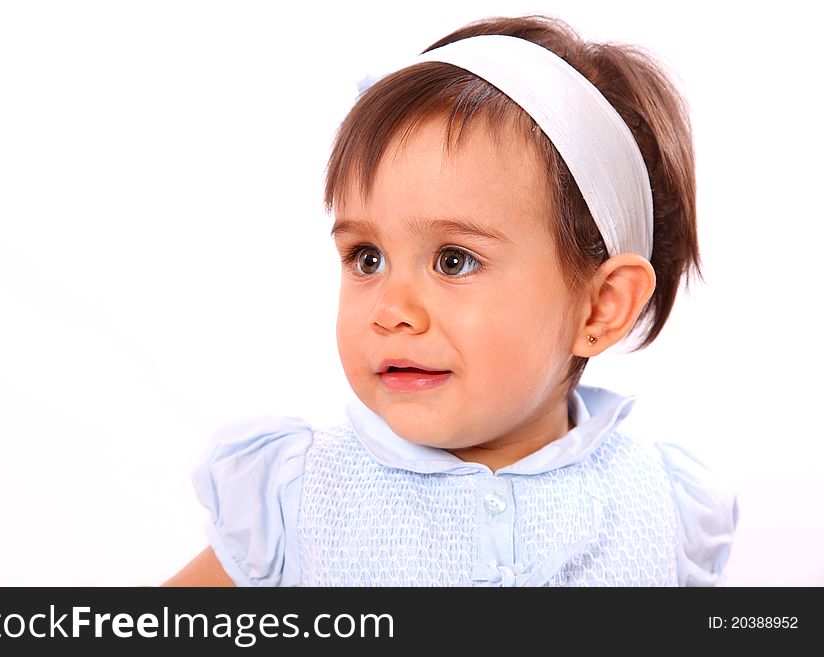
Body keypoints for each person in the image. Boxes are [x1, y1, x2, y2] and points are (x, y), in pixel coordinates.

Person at [164, 15, 738, 587]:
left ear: (600, 307)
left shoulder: (664, 512)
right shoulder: (297, 502)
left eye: (454, 260)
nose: (392, 309)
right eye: (367, 257)